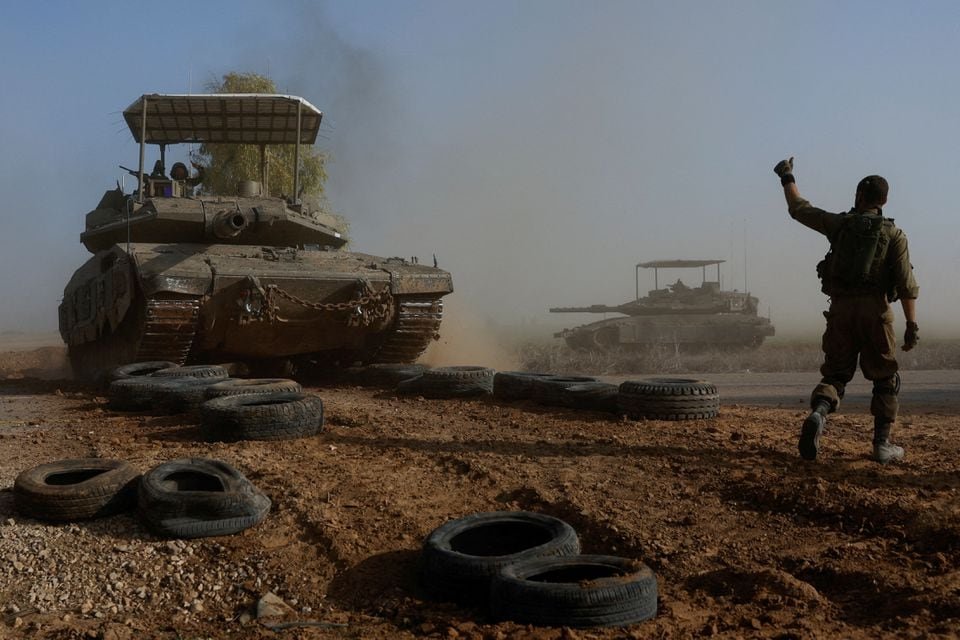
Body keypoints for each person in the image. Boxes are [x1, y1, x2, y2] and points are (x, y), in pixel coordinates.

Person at [774, 157, 919, 464]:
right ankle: (882, 445)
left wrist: (787, 175)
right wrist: (912, 324)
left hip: (840, 311)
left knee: (837, 374)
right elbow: (906, 284)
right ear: (884, 201)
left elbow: (798, 208)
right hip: (876, 313)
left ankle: (818, 413)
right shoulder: (895, 235)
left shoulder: (839, 225)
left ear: (858, 196)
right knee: (885, 379)